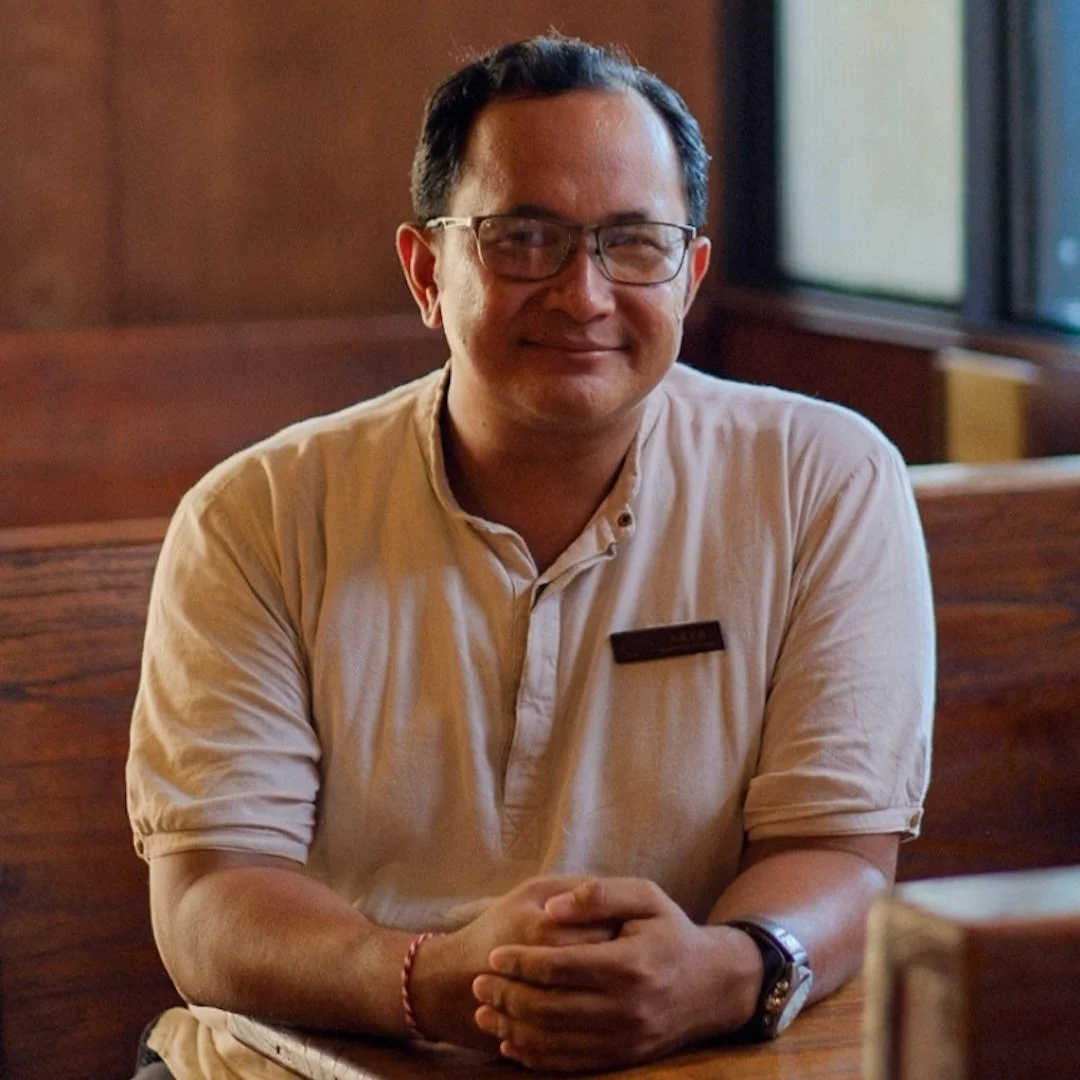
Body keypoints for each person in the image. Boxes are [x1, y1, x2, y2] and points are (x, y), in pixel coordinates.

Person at [126, 33, 934, 1080]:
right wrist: (430, 981)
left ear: (688, 275)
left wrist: (731, 970)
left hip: (687, 1056)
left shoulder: (824, 478)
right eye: (523, 239)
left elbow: (841, 852)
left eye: (632, 243)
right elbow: (208, 898)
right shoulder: (259, 514)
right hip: (313, 1059)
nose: (583, 294)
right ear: (427, 271)